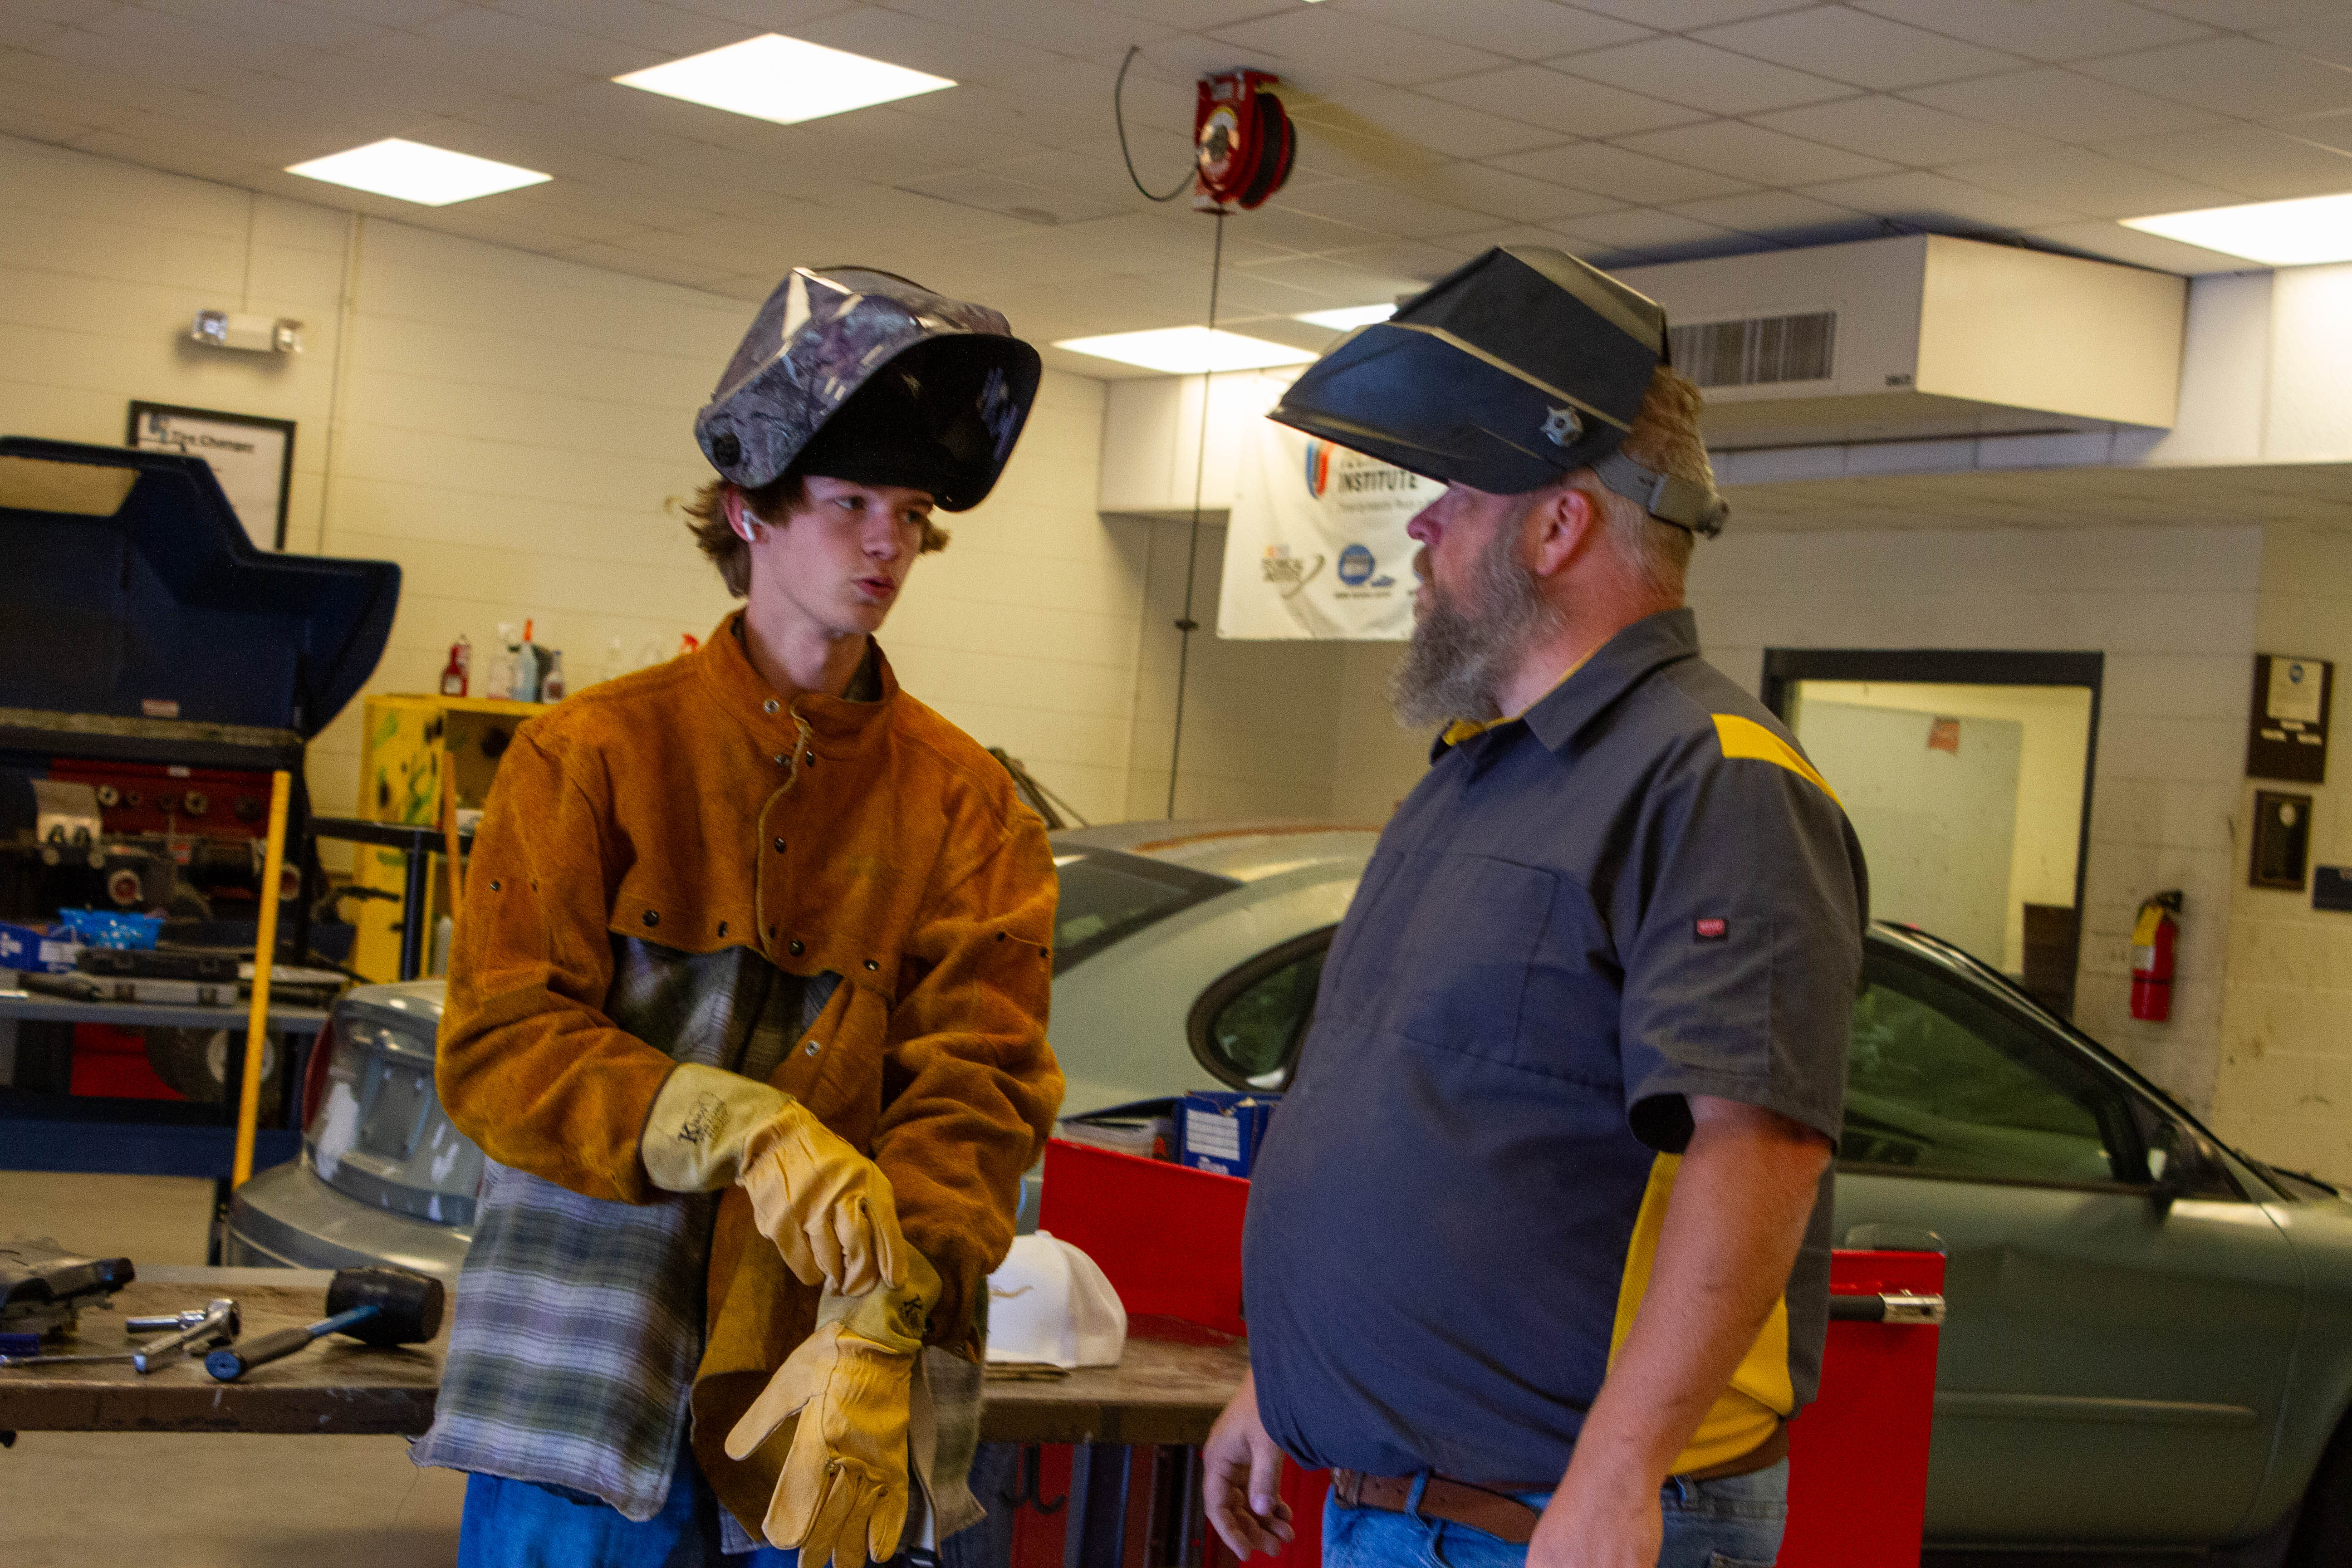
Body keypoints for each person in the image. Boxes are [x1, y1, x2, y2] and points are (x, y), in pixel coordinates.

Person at [1202, 247, 1868, 1568]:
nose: (1420, 530)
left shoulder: (1714, 782)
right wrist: (1290, 1381)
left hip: (1562, 1525)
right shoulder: (1479, 774)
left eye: (1452, 495)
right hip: (1405, 1508)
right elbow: (1433, 1119)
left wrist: (1619, 1477)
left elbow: (1759, 1153)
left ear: (1557, 528)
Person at [411, 266, 1067, 1568]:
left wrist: (895, 1309)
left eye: (911, 513)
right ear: (746, 512)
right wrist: (729, 1118)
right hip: (588, 1380)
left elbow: (977, 1096)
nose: (887, 545)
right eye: (848, 504)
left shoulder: (971, 810)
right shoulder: (587, 754)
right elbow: (499, 1046)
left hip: (832, 1384)